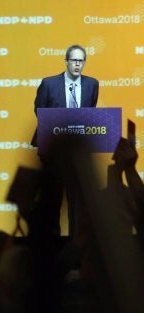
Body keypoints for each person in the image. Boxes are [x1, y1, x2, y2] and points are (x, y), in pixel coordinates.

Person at [32, 44, 99, 237]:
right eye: (74, 60)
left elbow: (90, 112)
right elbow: (39, 110)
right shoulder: (49, 83)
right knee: (51, 200)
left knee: (76, 201)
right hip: (52, 151)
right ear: (66, 61)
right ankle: (51, 245)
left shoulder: (92, 84)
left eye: (81, 61)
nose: (77, 64)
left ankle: (75, 242)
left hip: (78, 153)